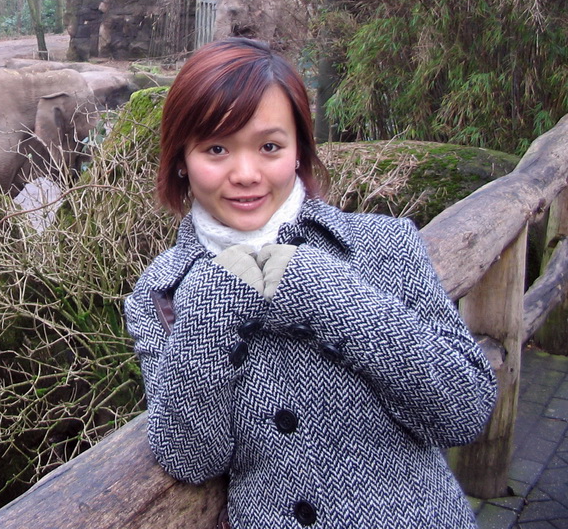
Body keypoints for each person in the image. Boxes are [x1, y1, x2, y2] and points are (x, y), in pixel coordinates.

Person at [124, 38, 497, 529]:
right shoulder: (162, 291)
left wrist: (312, 285)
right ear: (181, 160)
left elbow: (465, 410)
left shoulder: (383, 244)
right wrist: (218, 294)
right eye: (216, 148)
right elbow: (191, 456)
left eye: (269, 147)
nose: (245, 173)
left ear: (298, 150)